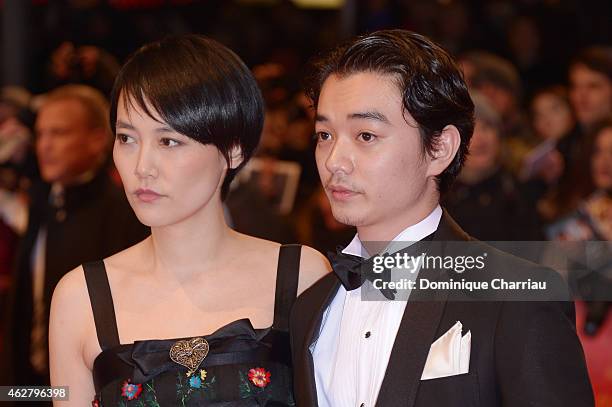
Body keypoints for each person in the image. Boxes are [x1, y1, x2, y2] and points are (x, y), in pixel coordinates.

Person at [290, 29, 594, 406]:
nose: (334, 160)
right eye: (324, 135)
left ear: (440, 148)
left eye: (366, 135)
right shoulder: (309, 309)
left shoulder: (515, 299)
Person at [49, 35, 328, 406]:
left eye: (168, 142)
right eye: (127, 138)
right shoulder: (79, 297)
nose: (141, 167)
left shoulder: (301, 276)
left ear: (234, 149)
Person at [1, 85, 149, 391]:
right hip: (32, 385)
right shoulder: (44, 201)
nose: (45, 146)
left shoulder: (125, 214)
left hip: (93, 387)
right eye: (40, 134)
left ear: (97, 140)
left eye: (59, 133)